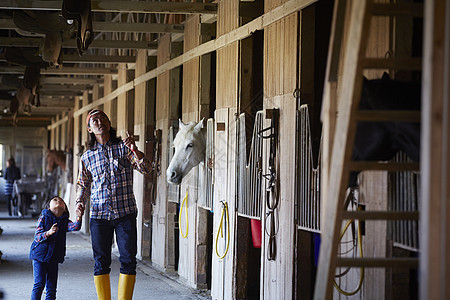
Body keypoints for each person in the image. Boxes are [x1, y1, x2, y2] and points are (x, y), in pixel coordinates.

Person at [76, 109, 152, 300]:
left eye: (103, 119)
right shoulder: (87, 157)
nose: (99, 122)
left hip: (125, 214)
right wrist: (79, 204)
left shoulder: (124, 148)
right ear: (90, 129)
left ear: (109, 124)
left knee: (128, 260)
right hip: (99, 216)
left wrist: (135, 150)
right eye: (94, 121)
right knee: (101, 262)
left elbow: (146, 168)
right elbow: (83, 184)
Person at [29, 196, 84, 300]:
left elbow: (75, 227)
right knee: (39, 283)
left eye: (61, 201)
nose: (58, 201)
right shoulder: (44, 218)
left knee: (51, 287)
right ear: (49, 207)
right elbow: (37, 236)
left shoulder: (65, 221)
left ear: (65, 208)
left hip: (54, 257)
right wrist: (48, 233)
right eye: (55, 200)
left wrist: (79, 217)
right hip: (39, 256)